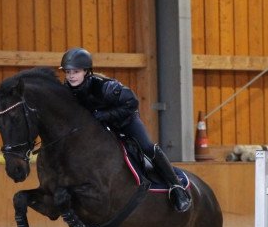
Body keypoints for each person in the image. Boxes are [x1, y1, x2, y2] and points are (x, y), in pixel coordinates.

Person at [60, 47, 191, 213]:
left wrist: (103, 115)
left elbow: (132, 103)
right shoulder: (67, 92)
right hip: (101, 127)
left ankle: (177, 187)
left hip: (126, 122)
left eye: (76, 71)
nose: (71, 76)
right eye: (68, 72)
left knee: (146, 147)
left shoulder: (106, 87)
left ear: (87, 71)